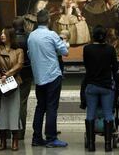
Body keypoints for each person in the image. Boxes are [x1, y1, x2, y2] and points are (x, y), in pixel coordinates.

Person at [27, 9, 69, 148]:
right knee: (51, 108)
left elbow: (29, 53)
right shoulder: (52, 35)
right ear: (48, 21)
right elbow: (65, 52)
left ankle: (36, 137)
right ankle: (51, 138)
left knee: (40, 107)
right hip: (52, 75)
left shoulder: (31, 36)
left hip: (39, 77)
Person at [83, 25, 119, 152]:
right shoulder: (110, 49)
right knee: (108, 114)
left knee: (90, 114)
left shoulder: (87, 49)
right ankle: (108, 144)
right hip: (106, 86)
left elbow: (86, 66)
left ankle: (91, 144)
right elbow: (115, 68)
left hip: (92, 85)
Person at [0, 27, 24, 151]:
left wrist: (8, 73)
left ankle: (15, 140)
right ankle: (2, 141)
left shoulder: (18, 50)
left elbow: (19, 65)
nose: (2, 35)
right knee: (1, 112)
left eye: (4, 34)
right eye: (1, 33)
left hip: (13, 84)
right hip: (0, 84)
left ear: (10, 36)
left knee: (14, 112)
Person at [13, 17, 32, 141]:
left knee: (9, 102)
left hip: (11, 73)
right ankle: (20, 133)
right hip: (26, 72)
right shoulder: (29, 37)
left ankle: (9, 131)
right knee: (22, 102)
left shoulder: (10, 38)